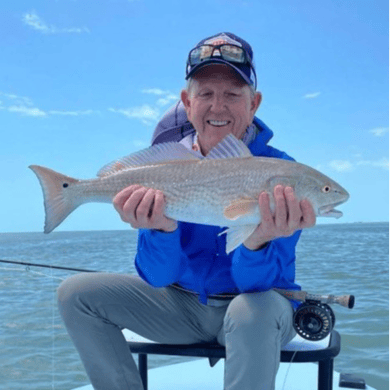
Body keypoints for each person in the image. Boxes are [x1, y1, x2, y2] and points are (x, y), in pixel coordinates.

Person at [58, 32, 316, 390]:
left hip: (256, 310)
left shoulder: (282, 173)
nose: (218, 106)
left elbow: (257, 286)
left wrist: (257, 242)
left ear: (254, 103)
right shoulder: (164, 169)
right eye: (206, 94)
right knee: (77, 294)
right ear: (187, 102)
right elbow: (158, 276)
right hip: (180, 306)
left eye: (232, 95)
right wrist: (161, 230)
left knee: (248, 313)